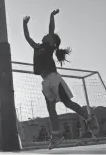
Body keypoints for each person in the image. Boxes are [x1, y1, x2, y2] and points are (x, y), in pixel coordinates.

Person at [23, 9, 98, 150]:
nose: (45, 35)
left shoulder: (48, 46)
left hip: (53, 78)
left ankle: (88, 118)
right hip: (45, 81)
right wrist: (24, 24)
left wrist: (51, 16)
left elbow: (51, 30)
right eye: (46, 35)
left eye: (48, 35)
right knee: (51, 109)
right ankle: (56, 135)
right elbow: (28, 38)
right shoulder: (37, 47)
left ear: (53, 42)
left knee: (67, 102)